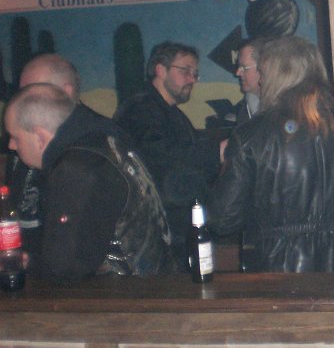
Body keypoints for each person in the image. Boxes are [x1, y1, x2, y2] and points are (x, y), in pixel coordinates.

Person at [4, 83, 173, 282]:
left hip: (126, 292)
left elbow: (64, 267)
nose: (11, 145)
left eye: (15, 137)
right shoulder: (104, 139)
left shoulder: (76, 169)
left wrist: (26, 262)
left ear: (40, 137)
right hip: (155, 281)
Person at [208, 36, 334, 272]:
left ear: (277, 74)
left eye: (263, 72)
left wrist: (224, 166)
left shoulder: (253, 134)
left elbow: (223, 219)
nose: (261, 80)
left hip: (278, 265)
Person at [4, 53, 126, 264]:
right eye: (21, 91)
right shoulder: (25, 135)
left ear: (66, 92)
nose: (23, 99)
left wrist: (32, 262)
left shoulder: (95, 145)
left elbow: (70, 259)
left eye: (33, 91)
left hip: (99, 279)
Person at [114, 41, 220, 270]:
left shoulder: (169, 112)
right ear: (160, 70)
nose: (192, 79)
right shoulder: (141, 110)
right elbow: (161, 159)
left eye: (195, 73)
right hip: (158, 233)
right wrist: (215, 152)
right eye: (185, 70)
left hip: (173, 228)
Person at [232, 38, 265, 126]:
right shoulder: (245, 107)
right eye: (239, 67)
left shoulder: (289, 107)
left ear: (263, 67)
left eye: (244, 67)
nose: (237, 73)